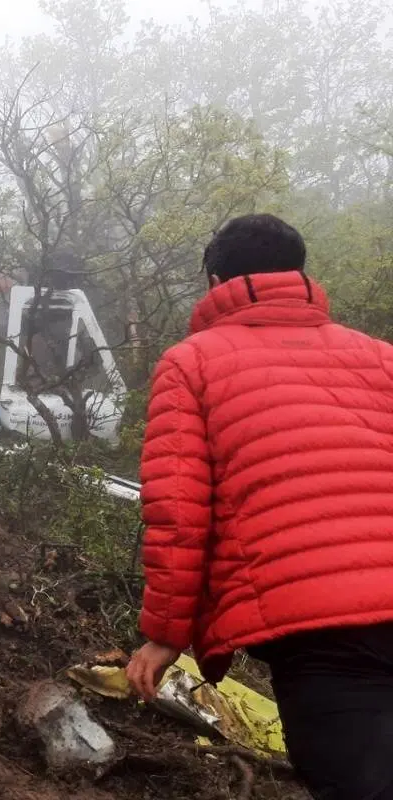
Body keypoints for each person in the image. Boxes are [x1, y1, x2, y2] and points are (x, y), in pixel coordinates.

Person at [124, 214, 393, 800]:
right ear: (298, 273)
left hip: (321, 630)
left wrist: (165, 633)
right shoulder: (381, 357)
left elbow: (178, 509)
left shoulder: (191, 363)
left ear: (216, 279)